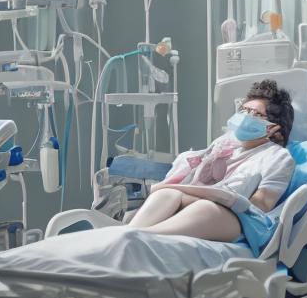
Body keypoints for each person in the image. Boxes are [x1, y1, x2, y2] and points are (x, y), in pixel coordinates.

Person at [126, 80, 296, 247]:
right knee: (166, 195)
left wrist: (221, 198)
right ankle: (128, 233)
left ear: (276, 129)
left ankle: (140, 237)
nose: (245, 117)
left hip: (236, 217)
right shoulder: (224, 143)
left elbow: (262, 205)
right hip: (198, 201)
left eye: (256, 114)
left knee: (205, 207)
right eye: (244, 110)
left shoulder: (278, 157)